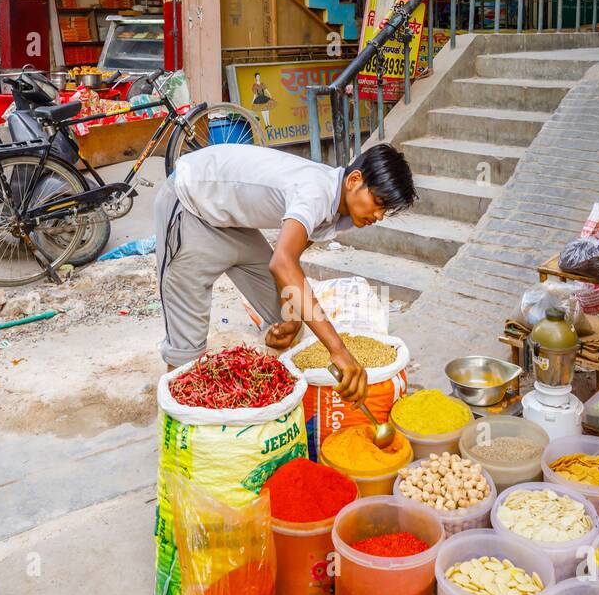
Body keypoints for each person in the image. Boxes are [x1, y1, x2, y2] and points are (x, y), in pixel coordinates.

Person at [155, 143, 416, 403]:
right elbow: (282, 262)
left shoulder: (341, 211)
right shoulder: (316, 192)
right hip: (191, 204)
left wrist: (290, 316)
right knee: (186, 354)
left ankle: (269, 395)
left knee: (288, 320)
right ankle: (181, 422)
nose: (379, 215)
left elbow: (293, 256)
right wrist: (338, 349)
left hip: (231, 221)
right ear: (354, 180)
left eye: (386, 210)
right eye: (379, 203)